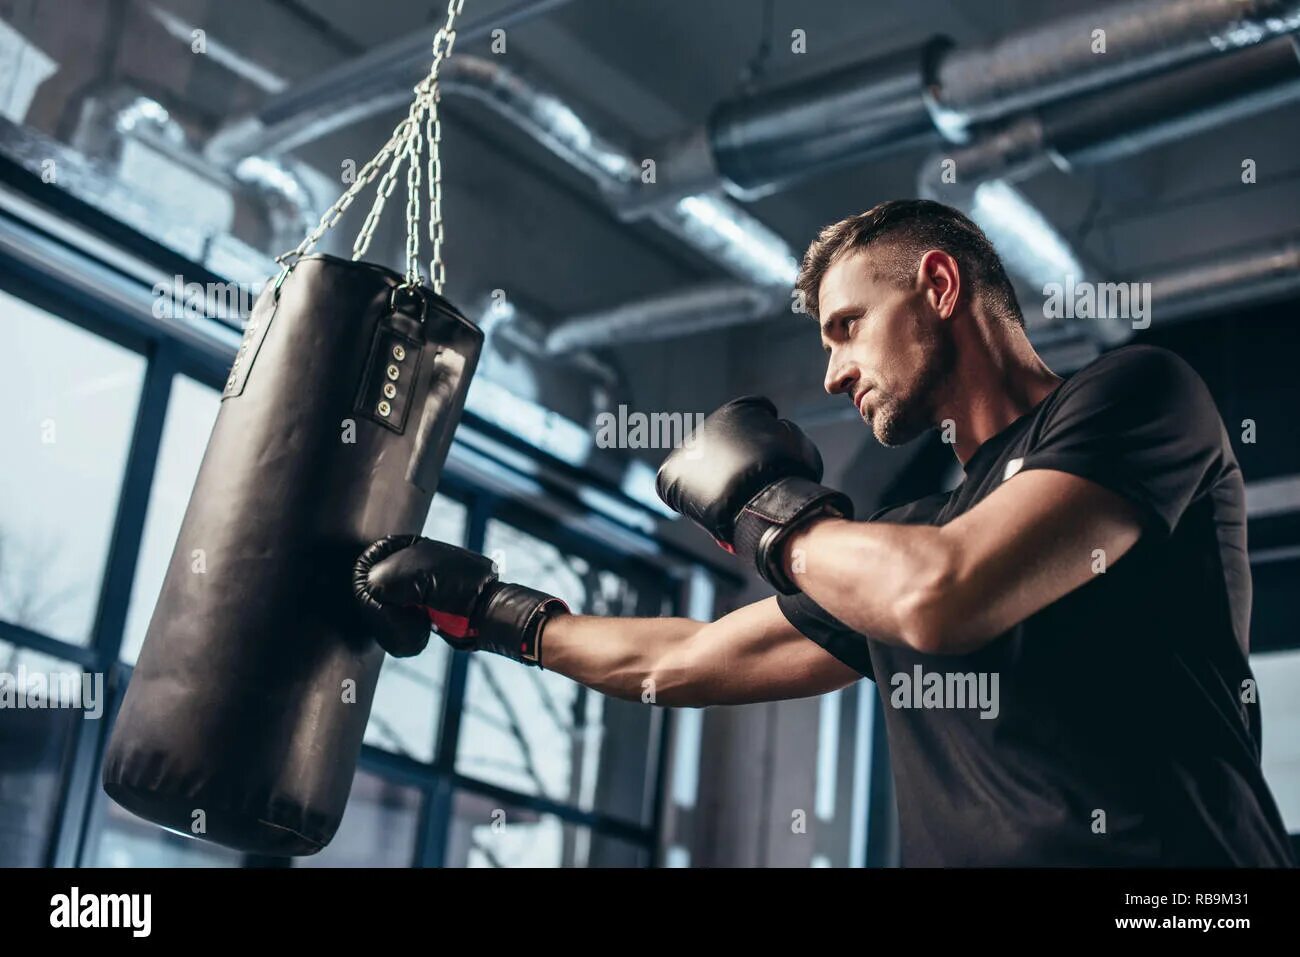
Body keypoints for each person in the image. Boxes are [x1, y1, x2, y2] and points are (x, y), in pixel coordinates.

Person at [354, 199, 1295, 867]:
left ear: (937, 284)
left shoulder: (1135, 396)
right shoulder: (905, 536)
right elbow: (681, 659)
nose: (836, 372)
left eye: (847, 327)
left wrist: (769, 511)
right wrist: (497, 608)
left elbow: (943, 593)